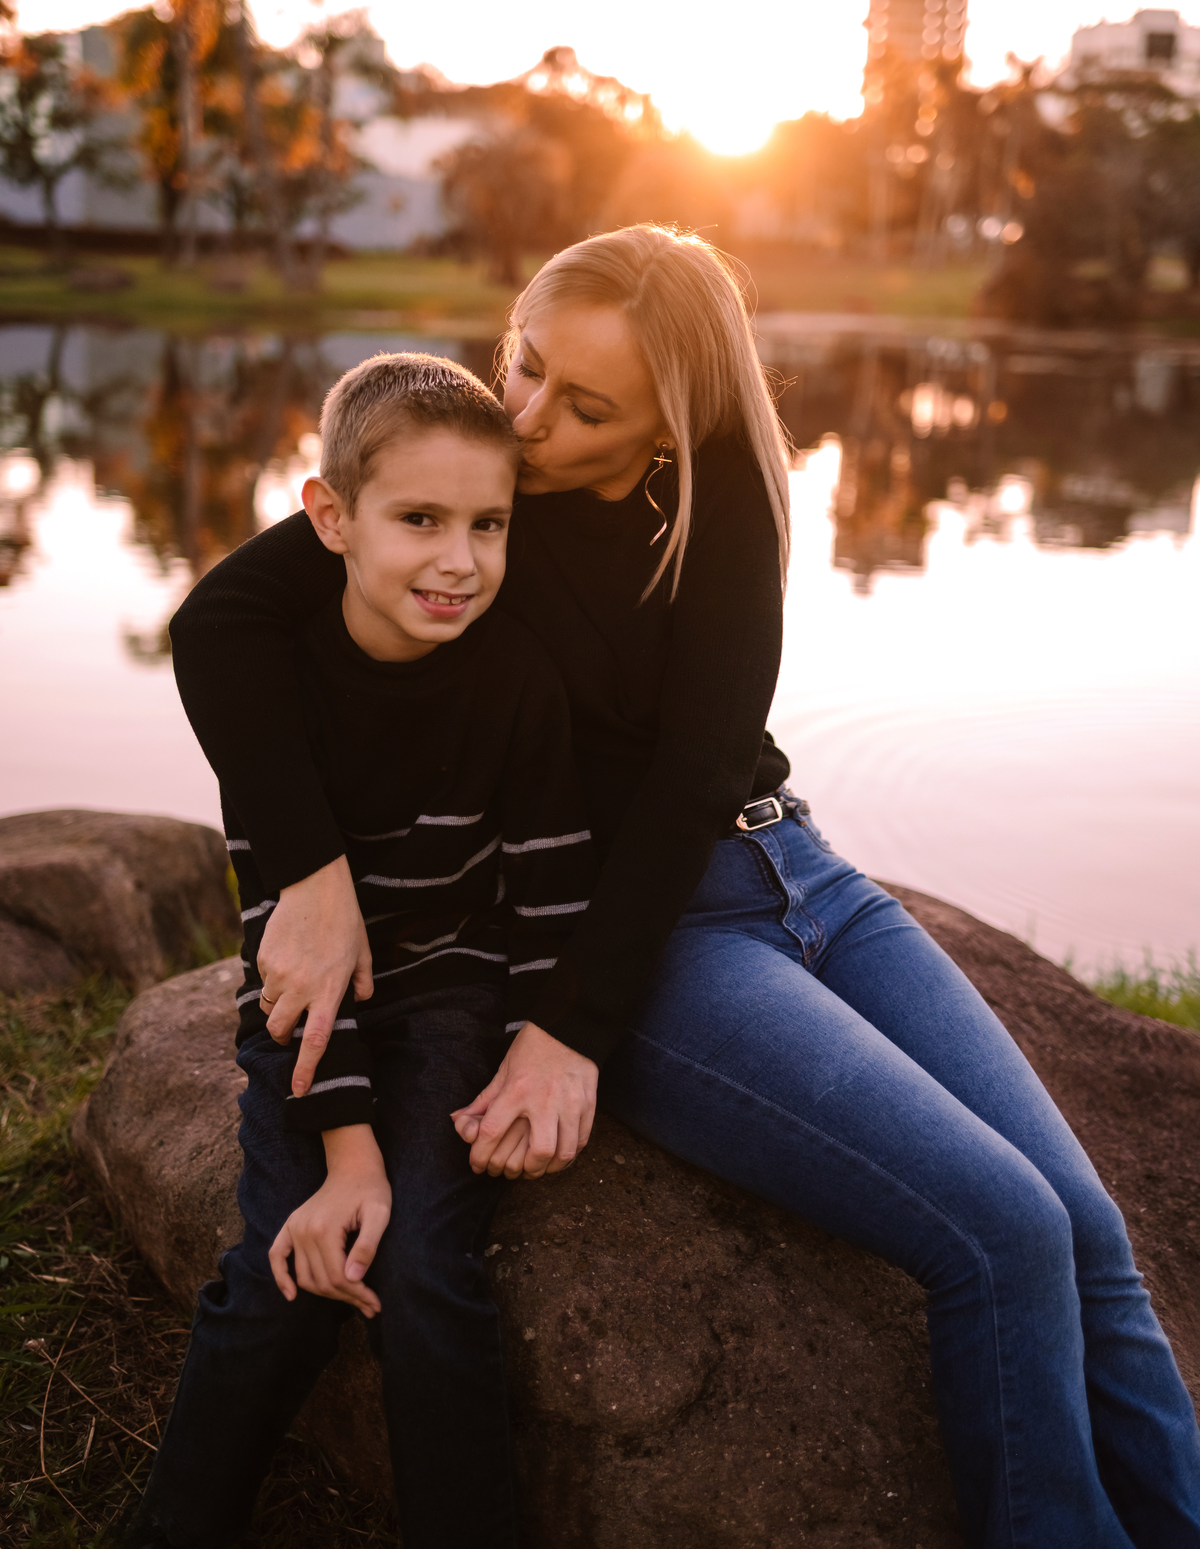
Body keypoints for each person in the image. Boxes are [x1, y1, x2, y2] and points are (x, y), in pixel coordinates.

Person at [169, 227, 1200, 1549]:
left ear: (675, 421)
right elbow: (223, 625)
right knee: (997, 1230)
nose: (529, 417)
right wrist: (341, 892)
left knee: (1086, 1232)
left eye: (583, 405)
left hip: (808, 874)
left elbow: (701, 761)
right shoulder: (474, 496)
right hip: (665, 935)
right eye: (524, 364)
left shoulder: (721, 491)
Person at [124, 354, 593, 1549]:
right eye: (420, 520)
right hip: (303, 1009)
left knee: (427, 1271)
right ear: (329, 516)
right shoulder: (272, 696)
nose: (460, 559)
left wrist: (543, 1037)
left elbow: (545, 892)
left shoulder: (522, 679)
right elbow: (283, 948)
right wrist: (344, 1151)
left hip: (451, 997)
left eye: (489, 524)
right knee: (286, 1277)